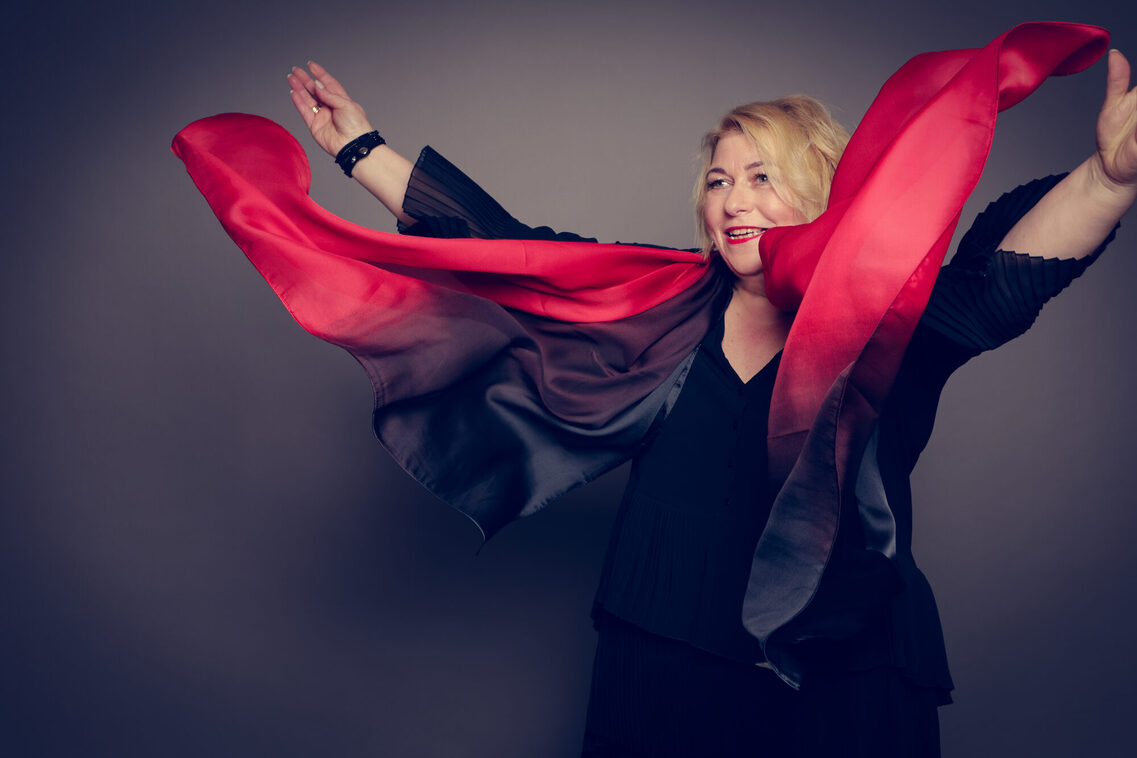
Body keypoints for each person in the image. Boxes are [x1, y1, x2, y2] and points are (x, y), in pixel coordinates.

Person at [175, 22, 1134, 757]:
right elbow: (507, 250)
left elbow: (994, 288)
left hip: (841, 661)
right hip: (662, 642)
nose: (732, 201)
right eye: (717, 181)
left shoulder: (885, 326)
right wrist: (360, 149)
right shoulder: (662, 302)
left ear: (818, 193)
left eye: (761, 176)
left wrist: (1104, 176)